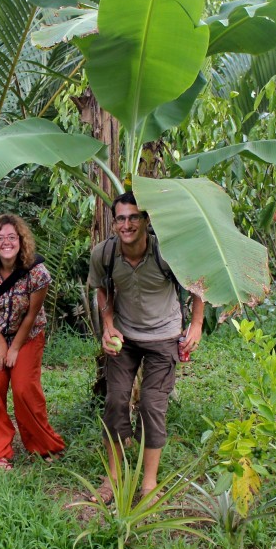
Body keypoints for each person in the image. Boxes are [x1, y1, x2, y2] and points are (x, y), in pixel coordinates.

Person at [87, 192, 204, 502]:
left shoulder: (167, 252)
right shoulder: (104, 254)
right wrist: (108, 323)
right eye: (121, 218)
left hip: (164, 336)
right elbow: (102, 288)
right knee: (115, 402)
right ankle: (112, 478)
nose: (127, 224)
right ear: (114, 224)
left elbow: (197, 285)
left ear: (146, 220)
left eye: (134, 217)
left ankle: (148, 484)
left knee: (152, 406)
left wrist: (196, 325)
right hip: (124, 337)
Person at [0, 214, 65, 470]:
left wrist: (14, 347)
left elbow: (32, 315)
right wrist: (1, 343)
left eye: (12, 237)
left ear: (21, 241)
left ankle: (43, 444)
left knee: (25, 389)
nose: (6, 242)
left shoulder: (37, 273)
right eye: (0, 238)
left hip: (28, 333)